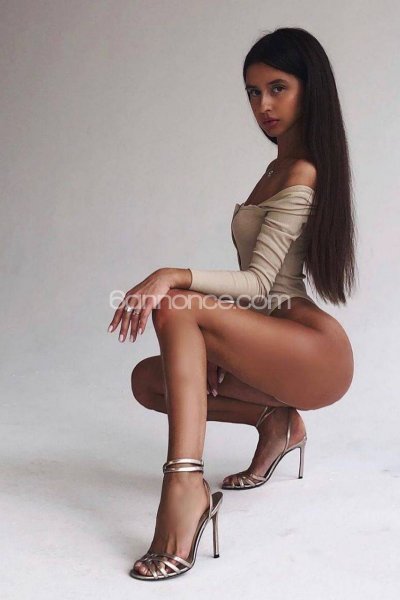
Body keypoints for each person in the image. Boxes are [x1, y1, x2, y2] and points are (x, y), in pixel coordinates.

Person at [107, 27, 356, 581]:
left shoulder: (303, 170)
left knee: (174, 303)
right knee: (150, 382)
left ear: (309, 90)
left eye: (277, 88)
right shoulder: (275, 168)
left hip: (312, 349)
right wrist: (216, 338)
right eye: (252, 92)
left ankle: (184, 488)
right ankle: (277, 422)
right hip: (271, 337)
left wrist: (172, 275)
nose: (262, 105)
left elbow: (262, 285)